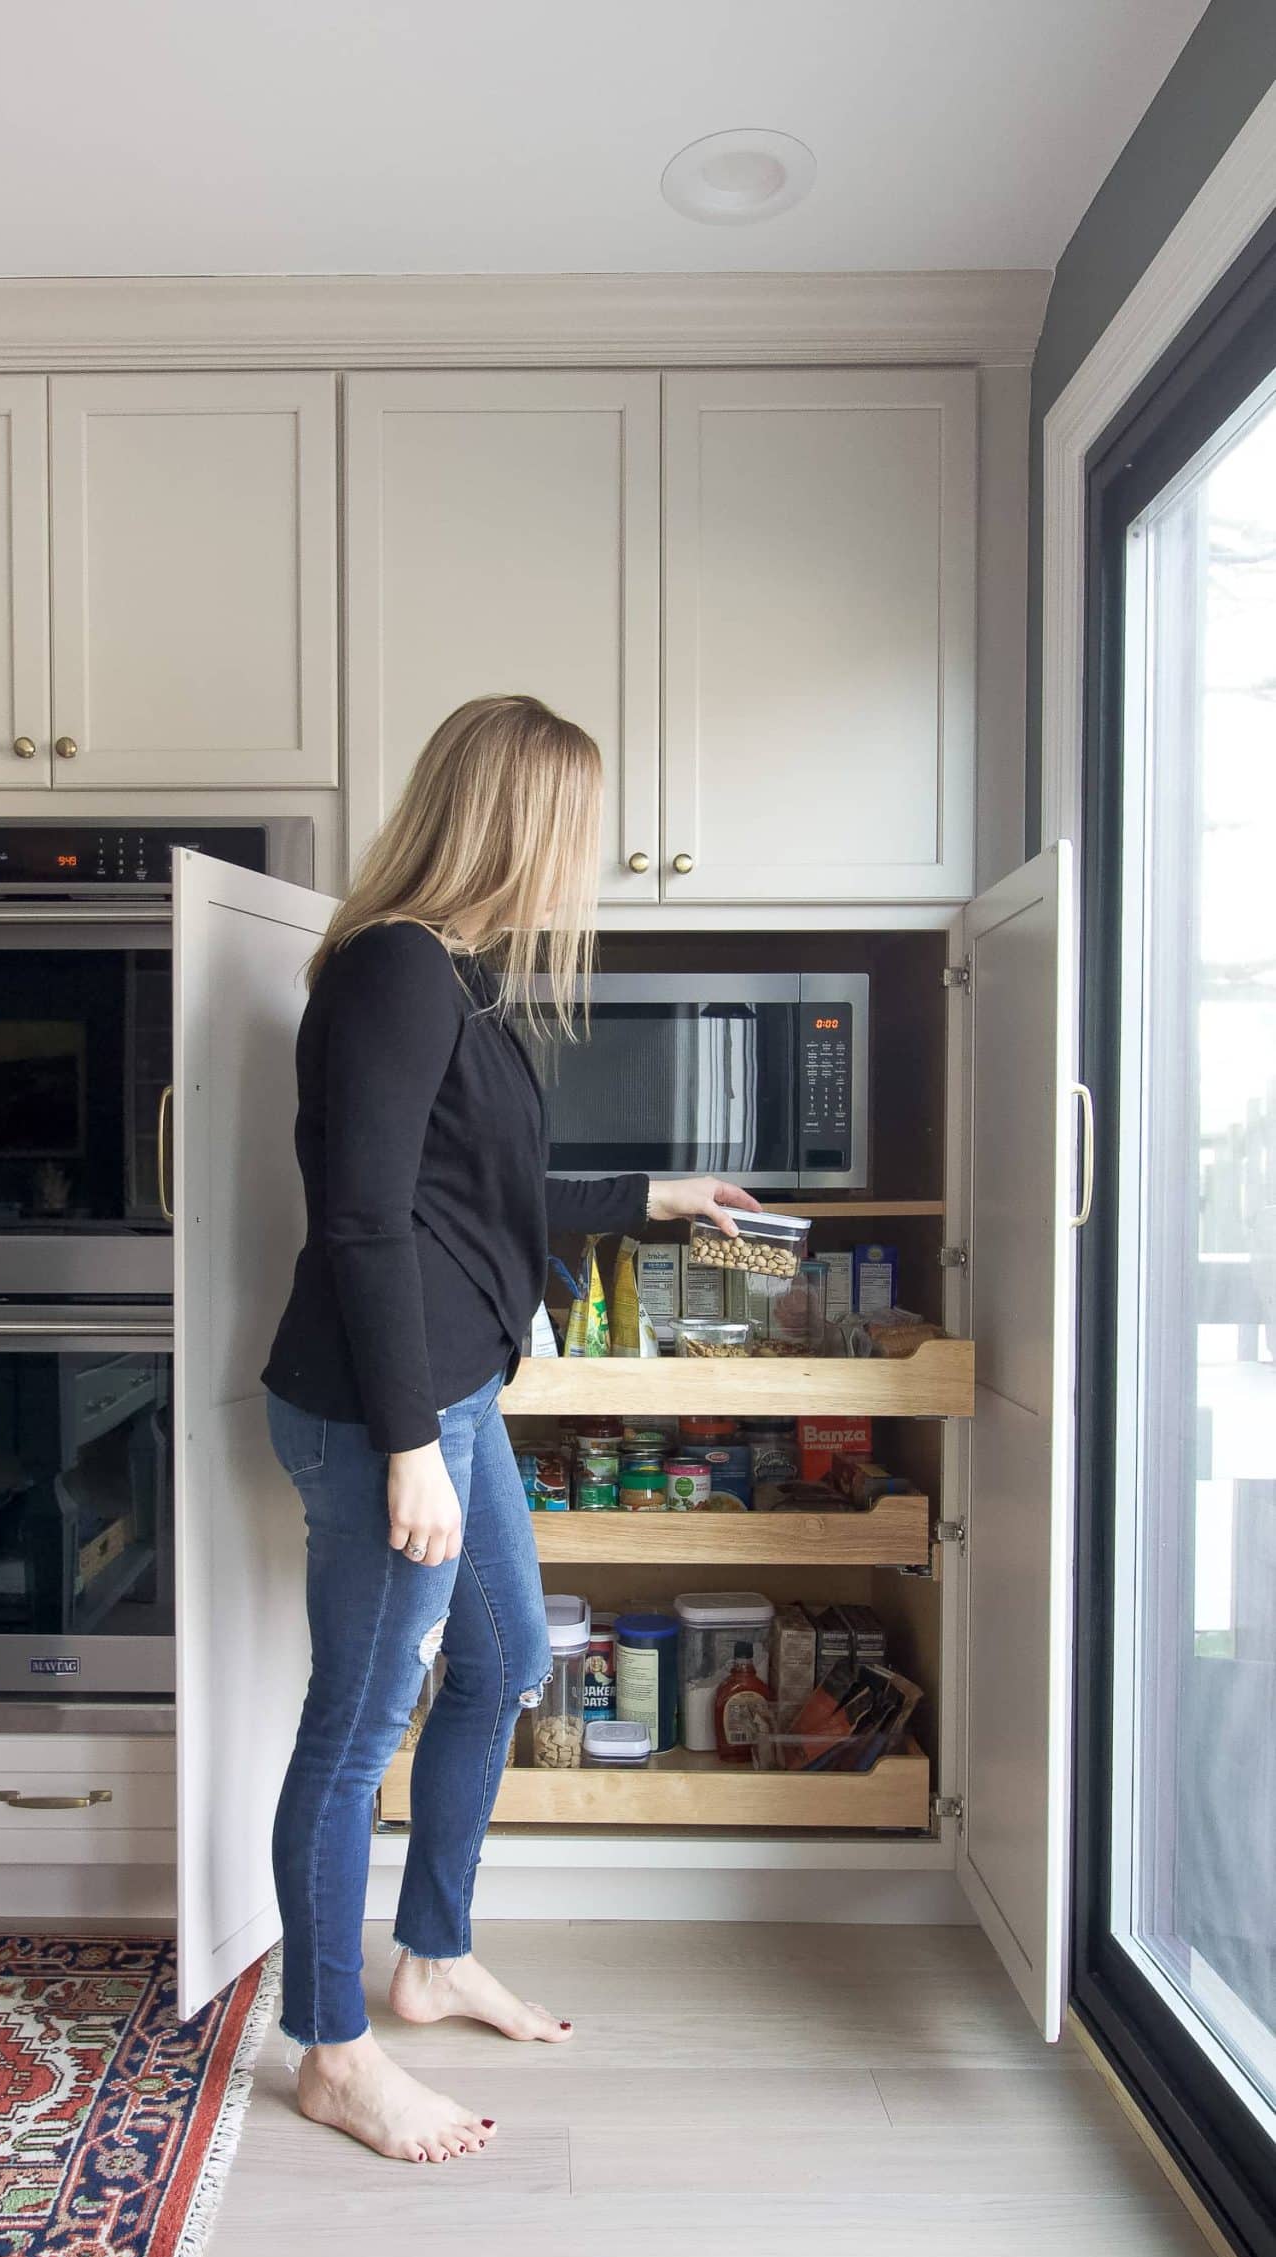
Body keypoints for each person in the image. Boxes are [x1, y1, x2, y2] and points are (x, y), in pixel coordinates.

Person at [262, 696, 758, 2163]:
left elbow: (482, 1201)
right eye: (579, 831)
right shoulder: (397, 972)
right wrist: (410, 1447)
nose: (588, 864)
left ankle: (430, 1954)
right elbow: (359, 1224)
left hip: (448, 1387)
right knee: (355, 1733)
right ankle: (332, 2050)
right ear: (516, 824)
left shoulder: (460, 980)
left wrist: (661, 1198)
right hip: (377, 1409)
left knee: (505, 1661)